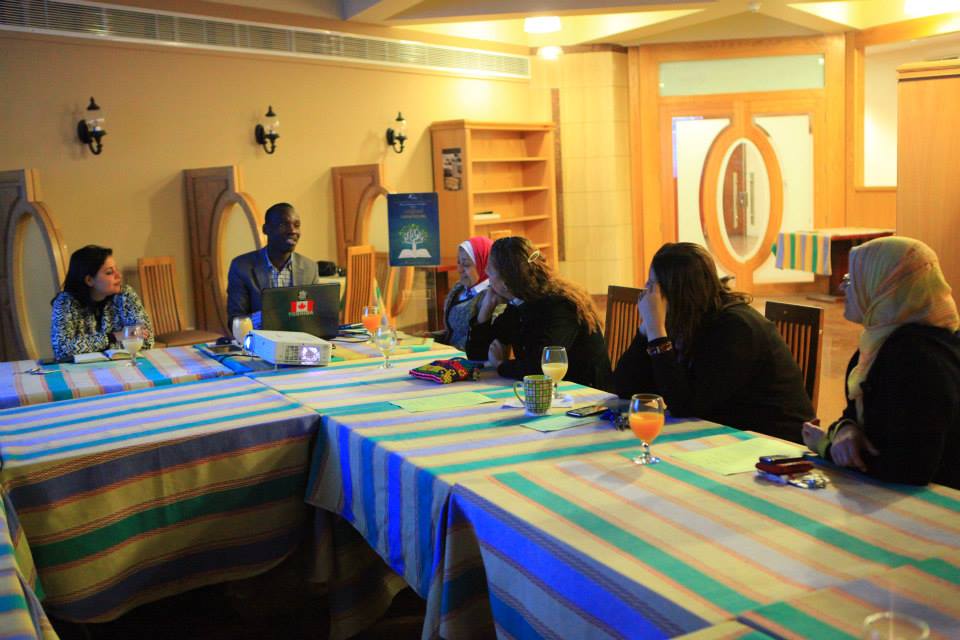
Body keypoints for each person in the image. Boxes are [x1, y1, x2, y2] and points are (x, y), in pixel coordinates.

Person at [613, 242, 814, 442]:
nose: (648, 294)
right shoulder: (685, 319)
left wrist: (656, 332)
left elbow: (685, 406)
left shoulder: (735, 327)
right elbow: (626, 389)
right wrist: (646, 330)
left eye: (653, 286)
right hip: (724, 434)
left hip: (772, 443)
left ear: (675, 291)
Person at [802, 237, 960, 488]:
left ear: (887, 288)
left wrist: (826, 447)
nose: (843, 288)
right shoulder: (880, 344)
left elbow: (909, 468)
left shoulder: (916, 358)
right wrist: (846, 429)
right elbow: (859, 414)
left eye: (851, 280)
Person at [466, 236, 611, 390]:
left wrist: (501, 365)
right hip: (549, 389)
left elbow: (540, 368)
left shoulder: (560, 305)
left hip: (584, 392)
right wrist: (485, 311)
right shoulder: (518, 302)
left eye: (490, 269)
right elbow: (477, 355)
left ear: (505, 282)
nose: (486, 273)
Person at [51, 245, 154, 361]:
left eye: (116, 269)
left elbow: (147, 340)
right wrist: (114, 337)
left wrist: (89, 345)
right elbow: (62, 349)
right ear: (89, 280)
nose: (119, 275)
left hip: (121, 365)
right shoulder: (65, 302)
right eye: (109, 272)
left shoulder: (125, 295)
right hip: (81, 370)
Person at [226, 202, 320, 327]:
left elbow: (314, 316)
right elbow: (235, 321)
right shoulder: (242, 267)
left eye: (296, 225)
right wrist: (272, 316)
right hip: (260, 337)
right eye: (283, 225)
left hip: (299, 337)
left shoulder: (310, 268)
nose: (292, 231)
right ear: (266, 229)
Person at [436, 236, 494, 351]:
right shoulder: (459, 288)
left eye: (466, 264)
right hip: (449, 355)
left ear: (485, 264)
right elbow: (453, 332)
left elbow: (481, 341)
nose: (459, 269)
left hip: (467, 357)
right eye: (458, 262)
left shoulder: (491, 296)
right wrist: (429, 337)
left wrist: (444, 350)